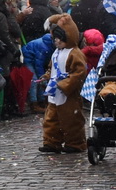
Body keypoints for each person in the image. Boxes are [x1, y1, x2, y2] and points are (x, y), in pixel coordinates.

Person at [37, 13, 87, 154]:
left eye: (60, 39)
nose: (57, 42)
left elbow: (79, 72)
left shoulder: (74, 53)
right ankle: (51, 142)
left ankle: (75, 143)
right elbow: (51, 68)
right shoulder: (56, 52)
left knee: (72, 119)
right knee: (51, 119)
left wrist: (66, 84)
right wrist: (47, 76)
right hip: (55, 91)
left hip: (67, 93)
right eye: (55, 39)